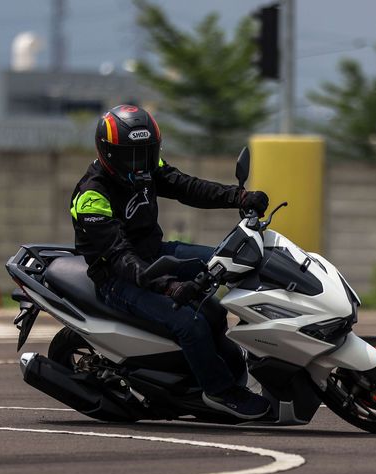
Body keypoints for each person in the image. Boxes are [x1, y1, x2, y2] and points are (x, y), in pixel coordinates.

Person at [69, 104, 271, 420]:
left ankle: (235, 363)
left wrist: (238, 197)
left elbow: (185, 186)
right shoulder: (93, 196)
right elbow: (122, 258)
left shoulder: (147, 166)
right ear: (109, 154)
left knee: (226, 278)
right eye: (131, 156)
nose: (140, 164)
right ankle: (219, 392)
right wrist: (168, 285)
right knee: (189, 323)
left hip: (156, 252)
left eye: (147, 154)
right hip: (117, 277)